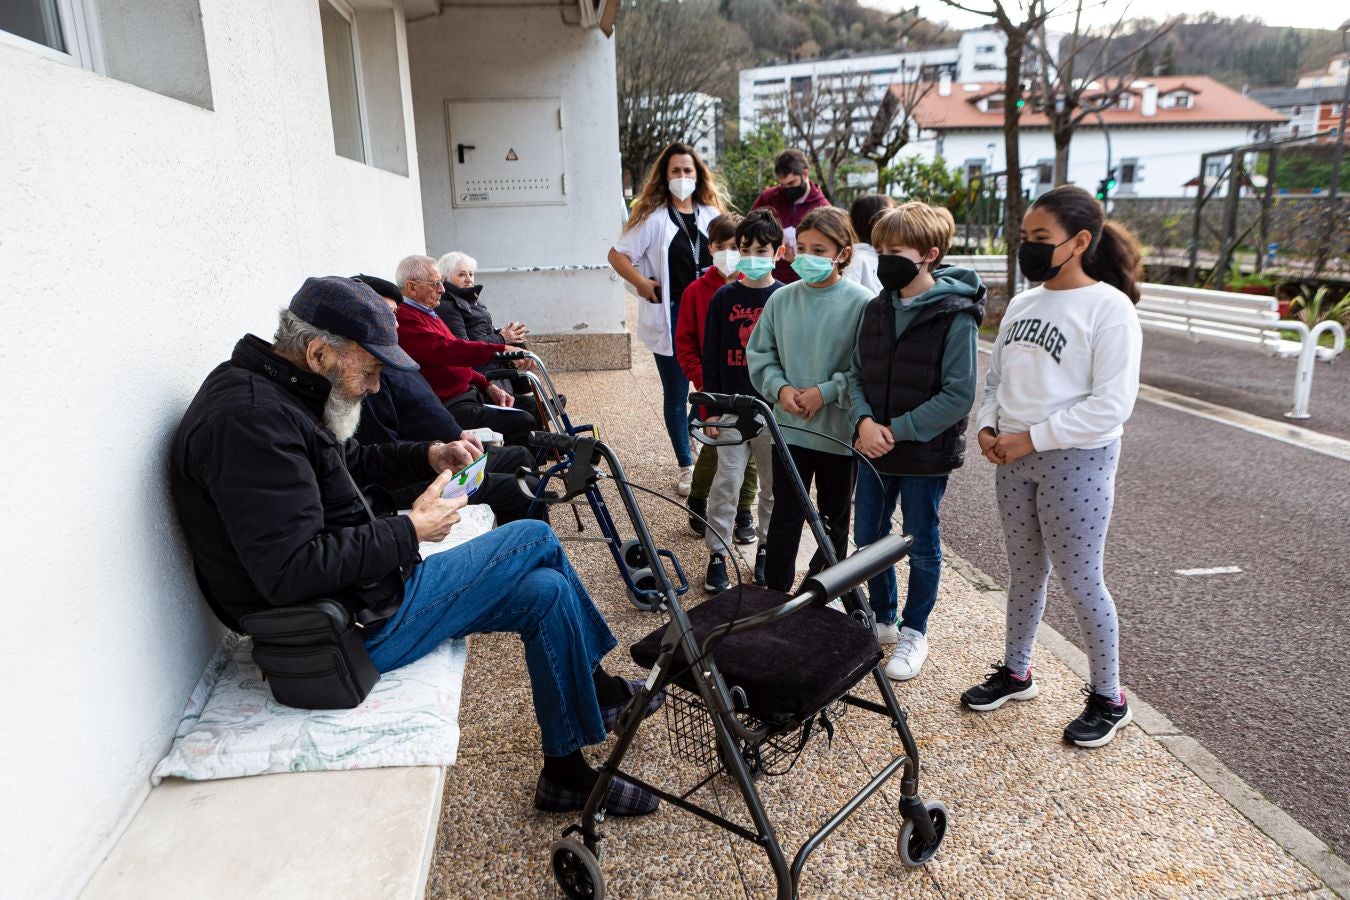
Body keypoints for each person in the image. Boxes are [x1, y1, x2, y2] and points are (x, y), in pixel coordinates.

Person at [169, 276, 663, 815]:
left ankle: (566, 772)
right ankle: (603, 691)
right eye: (373, 369)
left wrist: (425, 454)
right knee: (532, 536)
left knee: (545, 592)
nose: (377, 387)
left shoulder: (279, 392)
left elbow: (343, 466)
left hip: (359, 602)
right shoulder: (252, 420)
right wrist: (411, 529)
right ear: (318, 352)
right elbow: (290, 571)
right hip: (339, 635)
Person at [962, 184, 1143, 750]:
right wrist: (988, 426)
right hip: (1012, 457)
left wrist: (1029, 439)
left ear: (1080, 241)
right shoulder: (1021, 304)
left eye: (1041, 239)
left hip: (1075, 462)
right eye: (1024, 238)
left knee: (1082, 580)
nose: (1029, 248)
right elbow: (997, 380)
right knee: (1024, 573)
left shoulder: (1109, 308)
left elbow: (1112, 405)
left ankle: (1109, 698)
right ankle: (1017, 671)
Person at [847, 203, 984, 681]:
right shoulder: (876, 307)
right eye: (880, 249)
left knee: (921, 541)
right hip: (872, 447)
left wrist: (895, 430)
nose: (884, 259)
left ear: (930, 254)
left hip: (923, 452)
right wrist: (864, 421)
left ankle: (915, 630)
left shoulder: (956, 315)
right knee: (868, 537)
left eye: (896, 251)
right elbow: (856, 373)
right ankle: (882, 618)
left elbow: (959, 393)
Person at [351, 274, 546, 525]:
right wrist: (433, 456)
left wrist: (485, 386)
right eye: (388, 314)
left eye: (395, 314)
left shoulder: (394, 351)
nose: (396, 323)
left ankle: (528, 538)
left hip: (439, 452)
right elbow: (380, 460)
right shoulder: (367, 375)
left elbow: (454, 357)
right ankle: (518, 549)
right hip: (420, 476)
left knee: (521, 459)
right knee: (523, 487)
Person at [747, 207, 872, 592]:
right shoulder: (781, 300)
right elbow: (761, 354)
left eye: (819, 249)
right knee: (785, 514)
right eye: (801, 248)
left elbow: (864, 366)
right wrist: (780, 388)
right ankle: (775, 592)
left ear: (843, 253)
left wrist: (826, 392)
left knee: (835, 518)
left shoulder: (863, 303)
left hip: (837, 433)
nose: (808, 257)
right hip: (790, 431)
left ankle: (822, 593)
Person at [609, 141, 728, 496]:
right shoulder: (653, 217)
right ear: (665, 175)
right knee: (677, 393)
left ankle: (704, 444)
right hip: (673, 314)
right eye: (675, 171)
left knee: (711, 386)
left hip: (712, 313)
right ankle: (686, 465)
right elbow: (617, 255)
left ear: (698, 174)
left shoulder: (711, 213)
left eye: (687, 171)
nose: (682, 177)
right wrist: (642, 283)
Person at [699, 209, 785, 593]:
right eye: (744, 249)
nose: (752, 256)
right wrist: (712, 408)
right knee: (727, 481)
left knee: (772, 487)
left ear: (777, 253)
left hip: (772, 412)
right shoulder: (723, 298)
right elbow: (711, 356)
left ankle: (767, 547)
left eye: (761, 250)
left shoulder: (784, 297)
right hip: (731, 409)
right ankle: (718, 552)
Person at [673, 211, 759, 543]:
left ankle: (744, 510)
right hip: (713, 390)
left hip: (751, 388)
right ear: (710, 248)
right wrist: (703, 382)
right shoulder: (696, 292)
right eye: (722, 245)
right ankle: (698, 498)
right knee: (713, 448)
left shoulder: (754, 287)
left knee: (748, 450)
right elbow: (685, 344)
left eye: (736, 246)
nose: (729, 252)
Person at [392, 254, 538, 446]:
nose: (442, 289)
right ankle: (519, 469)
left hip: (468, 391)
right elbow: (449, 350)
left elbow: (454, 358)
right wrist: (500, 346)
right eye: (435, 284)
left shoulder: (428, 312)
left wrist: (488, 385)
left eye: (441, 283)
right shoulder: (406, 318)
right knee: (522, 420)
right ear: (411, 287)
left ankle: (539, 455)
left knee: (529, 405)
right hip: (451, 404)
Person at [434, 251, 532, 395]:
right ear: (445, 277)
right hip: (480, 372)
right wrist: (502, 338)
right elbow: (462, 346)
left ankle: (531, 404)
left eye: (471, 274)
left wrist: (510, 334)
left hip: (492, 363)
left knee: (520, 351)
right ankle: (531, 407)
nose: (468, 279)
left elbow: (483, 333)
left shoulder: (473, 302)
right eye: (461, 275)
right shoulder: (448, 306)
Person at [749, 149, 831, 284]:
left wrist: (800, 258)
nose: (787, 189)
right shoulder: (768, 198)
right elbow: (749, 231)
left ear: (805, 173)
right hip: (767, 278)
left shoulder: (823, 208)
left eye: (792, 183)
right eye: (782, 185)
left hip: (805, 282)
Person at [842, 193, 893, 295]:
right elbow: (847, 296)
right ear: (876, 222)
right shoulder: (857, 259)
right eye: (890, 217)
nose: (895, 222)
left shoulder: (880, 254)